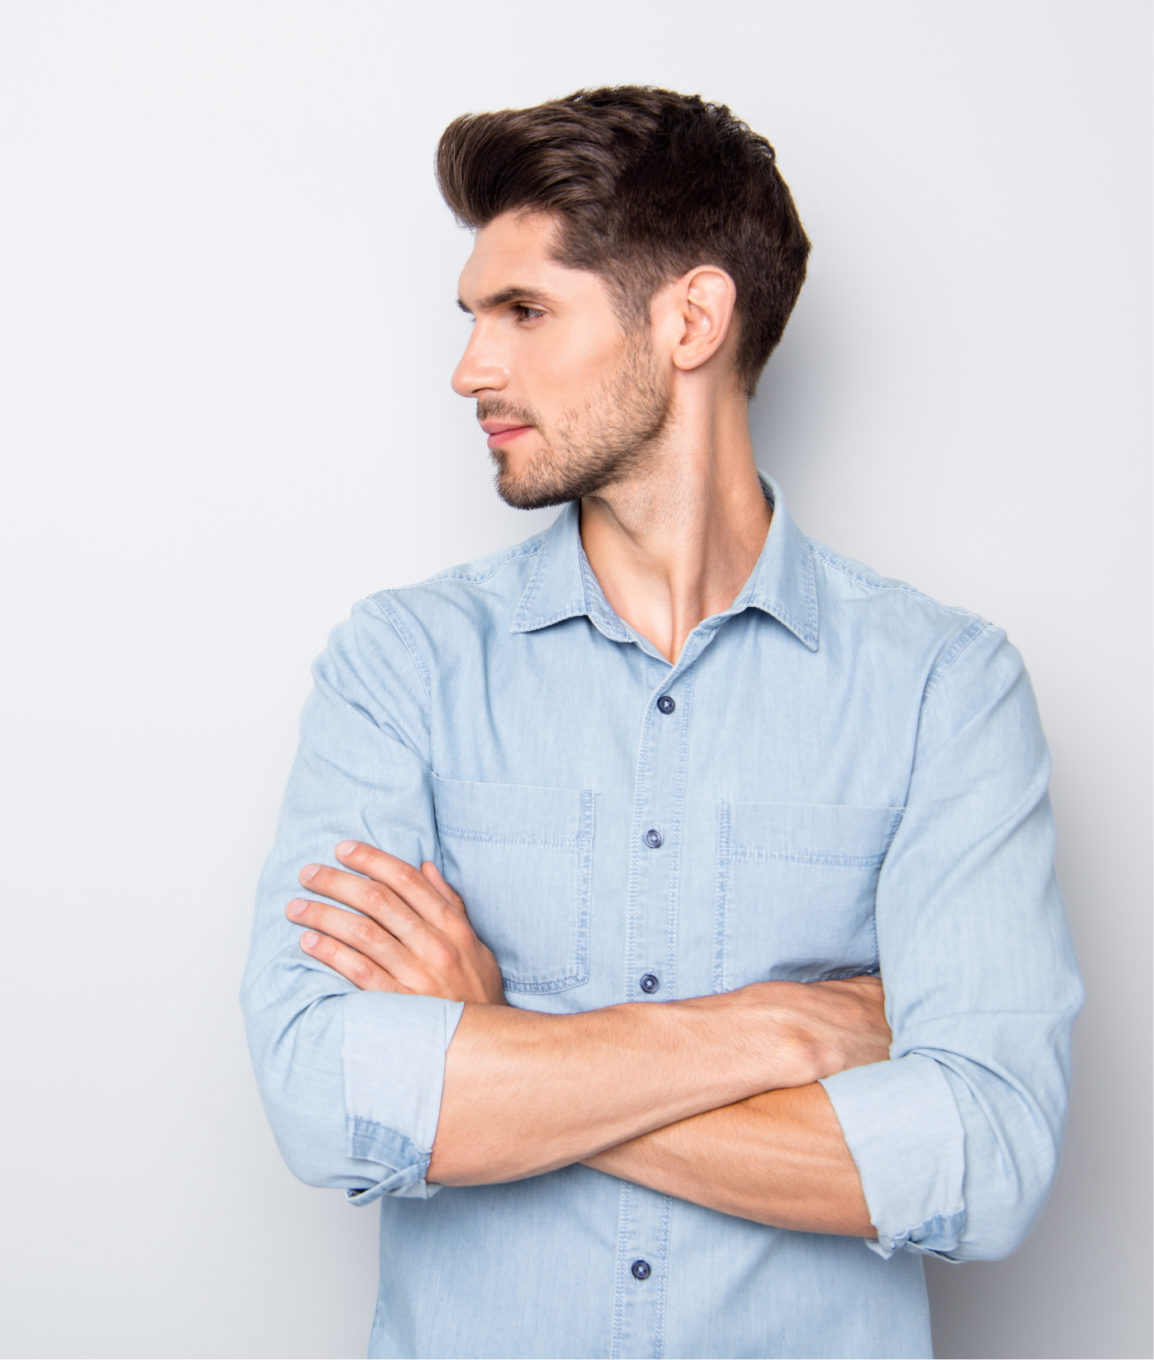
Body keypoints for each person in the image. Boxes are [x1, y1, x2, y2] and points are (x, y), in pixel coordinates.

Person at [241, 86, 1082, 1359]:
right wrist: (779, 1034)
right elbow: (321, 1091)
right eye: (474, 317)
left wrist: (499, 1052)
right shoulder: (400, 665)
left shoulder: (939, 690)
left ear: (689, 317)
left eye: (522, 310)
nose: (470, 367)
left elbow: (985, 1159)